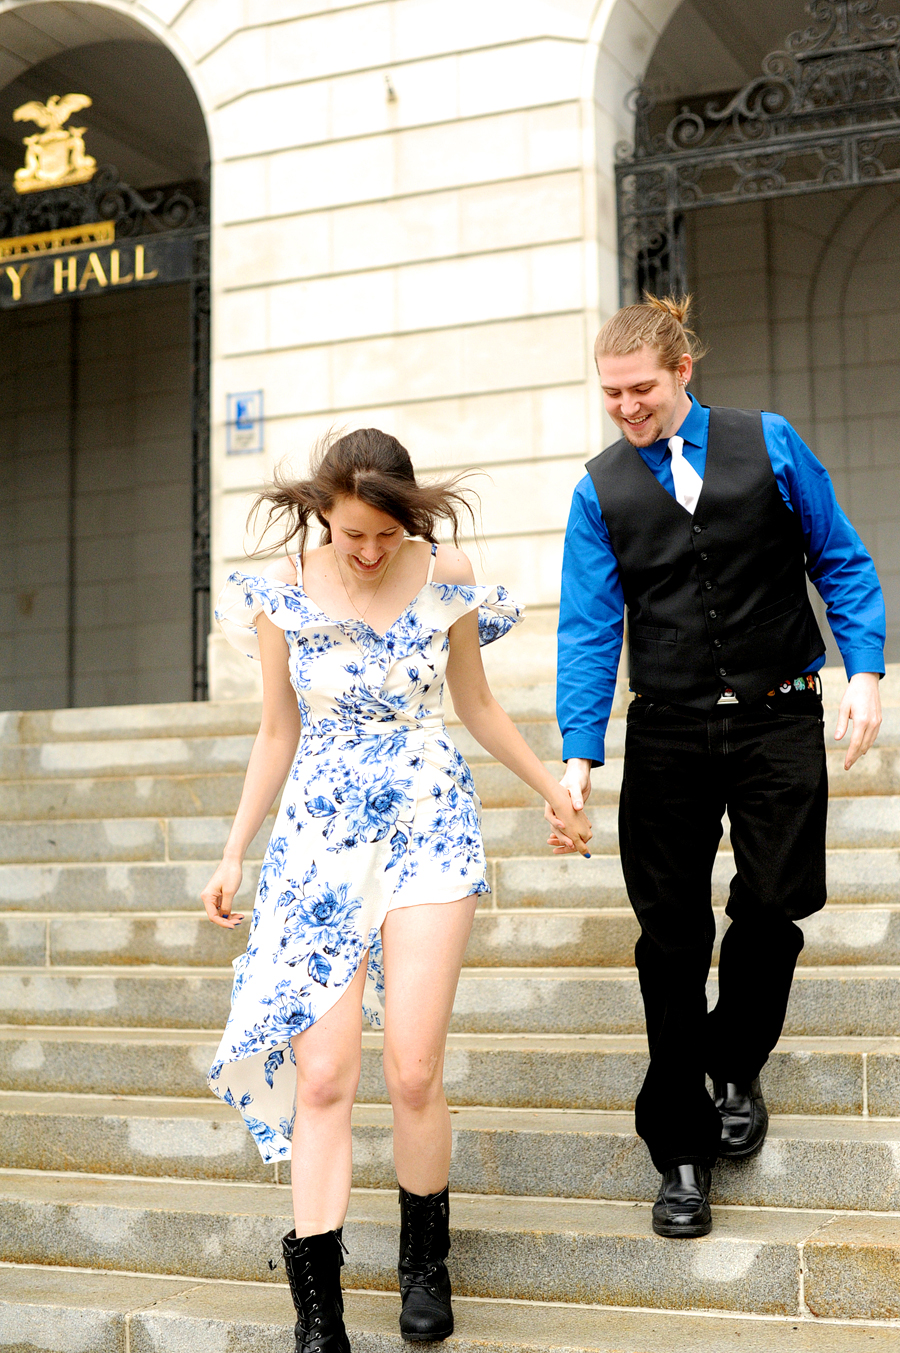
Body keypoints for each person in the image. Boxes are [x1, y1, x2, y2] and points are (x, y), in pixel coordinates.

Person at [202, 428, 592, 1351]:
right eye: (351, 535)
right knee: (326, 1074)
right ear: (322, 518)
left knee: (413, 1067)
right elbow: (273, 733)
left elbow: (478, 702)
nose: (370, 552)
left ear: (408, 517)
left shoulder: (446, 568)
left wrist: (553, 792)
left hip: (427, 821)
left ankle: (425, 1264)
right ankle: (320, 1313)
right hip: (318, 839)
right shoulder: (284, 586)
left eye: (385, 533)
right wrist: (231, 853)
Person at [548, 295, 884, 1239]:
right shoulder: (597, 488)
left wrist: (865, 670)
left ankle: (736, 1060)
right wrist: (578, 755)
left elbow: (842, 562)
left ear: (682, 372)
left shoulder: (769, 442)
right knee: (668, 940)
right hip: (667, 732)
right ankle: (682, 1150)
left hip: (779, 717)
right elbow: (588, 629)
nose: (625, 406)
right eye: (611, 392)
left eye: (641, 388)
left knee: (774, 905)